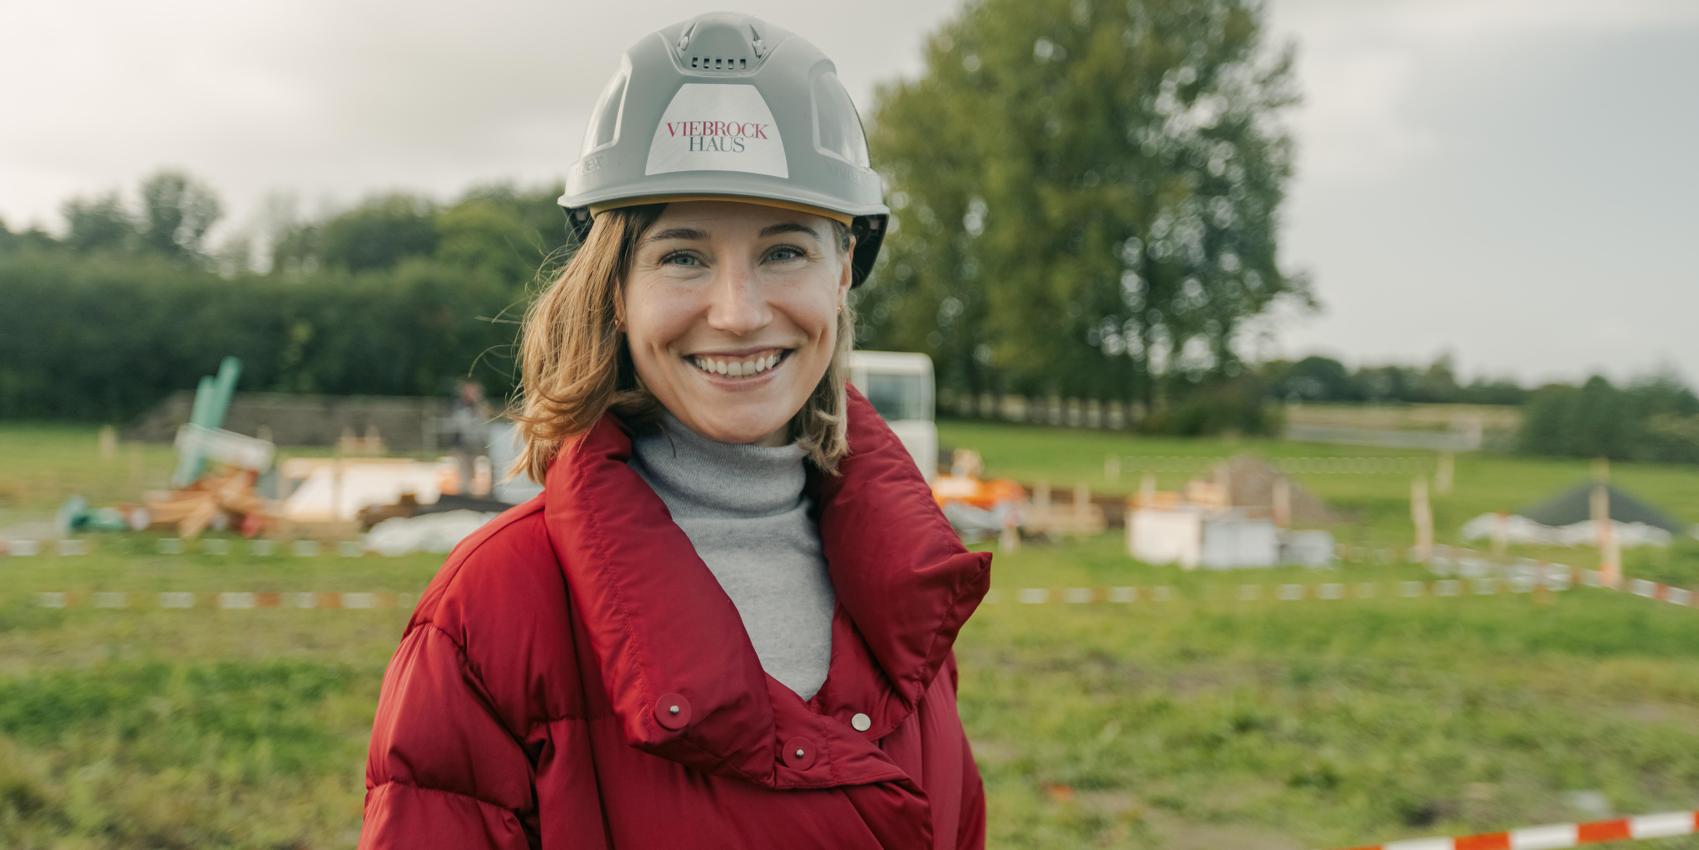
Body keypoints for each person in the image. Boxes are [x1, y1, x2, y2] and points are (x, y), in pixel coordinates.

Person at [358, 12, 991, 849]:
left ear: (844, 272)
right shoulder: (488, 612)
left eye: (784, 251)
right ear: (615, 288)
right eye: (683, 256)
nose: (736, 313)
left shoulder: (907, 584)